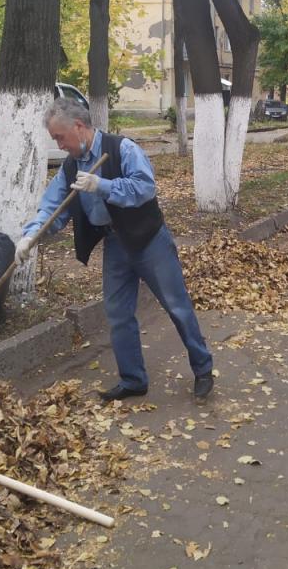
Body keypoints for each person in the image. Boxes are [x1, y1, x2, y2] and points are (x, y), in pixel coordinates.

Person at [15, 101, 214, 403]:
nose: (59, 144)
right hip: (116, 244)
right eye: (55, 139)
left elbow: (145, 188)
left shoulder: (123, 149)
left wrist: (102, 185)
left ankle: (203, 369)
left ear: (79, 127)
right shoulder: (71, 165)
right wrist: (30, 237)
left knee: (177, 306)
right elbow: (53, 206)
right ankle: (133, 380)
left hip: (149, 240)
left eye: (60, 137)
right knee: (118, 314)